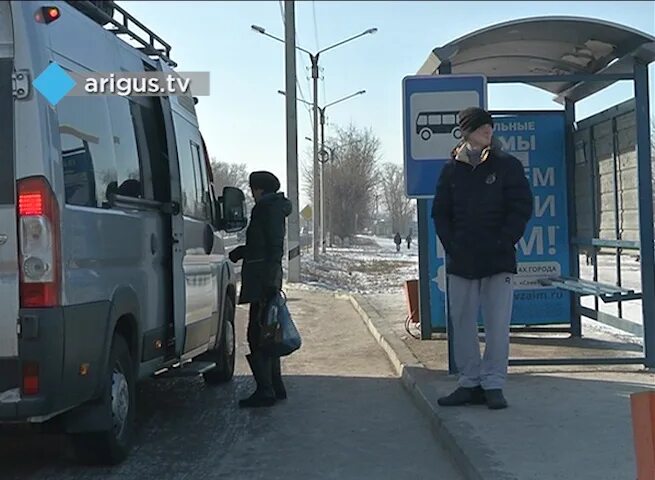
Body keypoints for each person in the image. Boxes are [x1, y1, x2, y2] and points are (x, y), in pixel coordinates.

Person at [431, 107, 533, 410]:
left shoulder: (507, 165)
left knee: (497, 324)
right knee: (462, 322)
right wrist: (451, 245)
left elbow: (521, 206)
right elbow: (440, 212)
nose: (488, 130)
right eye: (481, 126)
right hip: (462, 259)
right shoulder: (451, 169)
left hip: (498, 257)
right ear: (466, 131)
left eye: (490, 125)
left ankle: (494, 384)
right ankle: (469, 382)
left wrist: (504, 239)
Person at [229, 171, 292, 408]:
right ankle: (275, 386)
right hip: (264, 278)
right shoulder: (271, 208)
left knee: (257, 335)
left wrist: (268, 281)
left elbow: (274, 247)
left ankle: (266, 389)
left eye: (253, 188)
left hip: (263, 281)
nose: (252, 193)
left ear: (260, 189)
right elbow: (262, 244)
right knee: (266, 332)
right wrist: (243, 251)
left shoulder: (267, 209)